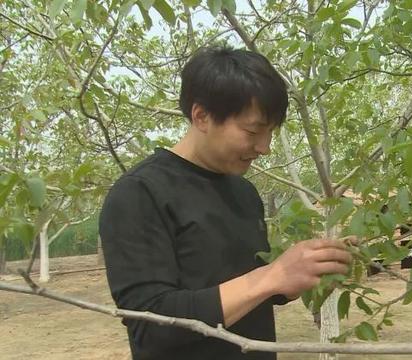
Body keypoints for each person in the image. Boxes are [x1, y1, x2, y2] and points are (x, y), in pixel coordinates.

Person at [99, 46, 353, 360]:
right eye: (252, 131)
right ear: (202, 116)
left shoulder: (244, 193)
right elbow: (152, 325)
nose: (264, 147)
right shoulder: (140, 193)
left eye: (271, 132)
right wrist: (272, 275)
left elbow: (251, 293)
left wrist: (310, 268)